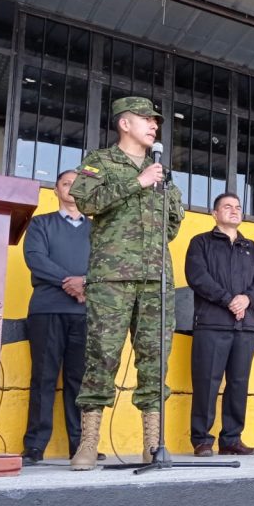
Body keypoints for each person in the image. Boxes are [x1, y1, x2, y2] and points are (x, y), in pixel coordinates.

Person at [68, 96, 185, 470]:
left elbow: (173, 221)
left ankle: (153, 443)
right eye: (146, 119)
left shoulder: (161, 171)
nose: (154, 126)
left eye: (156, 122)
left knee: (155, 359)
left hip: (156, 278)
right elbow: (84, 200)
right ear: (124, 124)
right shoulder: (99, 162)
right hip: (112, 278)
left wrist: (151, 182)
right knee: (101, 354)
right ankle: (88, 443)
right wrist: (137, 182)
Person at [186, 192, 254, 457]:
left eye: (238, 207)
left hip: (245, 327)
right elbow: (198, 277)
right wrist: (228, 300)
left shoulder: (252, 247)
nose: (234, 211)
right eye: (227, 207)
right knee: (206, 382)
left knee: (238, 383)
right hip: (212, 324)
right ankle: (202, 440)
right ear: (215, 214)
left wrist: (247, 298)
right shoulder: (200, 243)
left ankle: (231, 439)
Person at [20, 170, 92, 465]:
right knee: (44, 378)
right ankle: (35, 446)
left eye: (78, 185)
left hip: (86, 311)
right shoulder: (41, 223)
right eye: (65, 183)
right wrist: (71, 282)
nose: (72, 189)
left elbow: (107, 264)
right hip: (47, 310)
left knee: (79, 382)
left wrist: (86, 283)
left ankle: (80, 446)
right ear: (55, 190)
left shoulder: (98, 230)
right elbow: (35, 259)